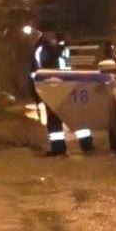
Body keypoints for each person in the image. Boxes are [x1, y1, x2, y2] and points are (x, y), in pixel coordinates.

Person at [30, 23, 94, 156]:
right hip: (62, 86)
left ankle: (66, 147)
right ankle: (82, 145)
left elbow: (39, 70)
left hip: (55, 87)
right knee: (68, 117)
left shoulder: (44, 48)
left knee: (58, 119)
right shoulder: (60, 46)